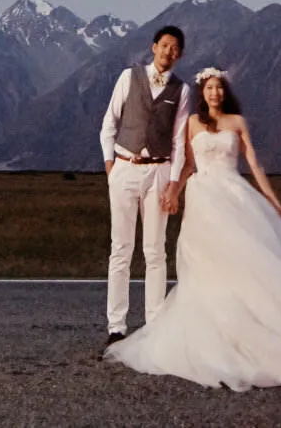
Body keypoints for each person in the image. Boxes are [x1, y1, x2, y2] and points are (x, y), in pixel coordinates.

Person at [105, 67, 281, 392]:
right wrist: (173, 190)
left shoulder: (237, 123)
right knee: (205, 266)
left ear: (224, 92)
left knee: (243, 263)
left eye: (219, 88)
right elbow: (186, 163)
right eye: (210, 88)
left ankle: (249, 330)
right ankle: (213, 331)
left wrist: (270, 197)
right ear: (203, 92)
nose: (214, 93)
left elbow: (253, 162)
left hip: (233, 196)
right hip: (202, 199)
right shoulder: (192, 123)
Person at [98, 24, 190, 343]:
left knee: (154, 251)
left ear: (180, 54)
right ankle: (116, 326)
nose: (169, 52)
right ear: (154, 47)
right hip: (124, 167)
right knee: (121, 249)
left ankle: (154, 325)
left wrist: (173, 183)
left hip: (159, 172)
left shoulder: (182, 90)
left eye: (175, 48)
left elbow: (179, 141)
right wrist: (111, 169)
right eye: (164, 45)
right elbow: (109, 125)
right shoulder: (129, 77)